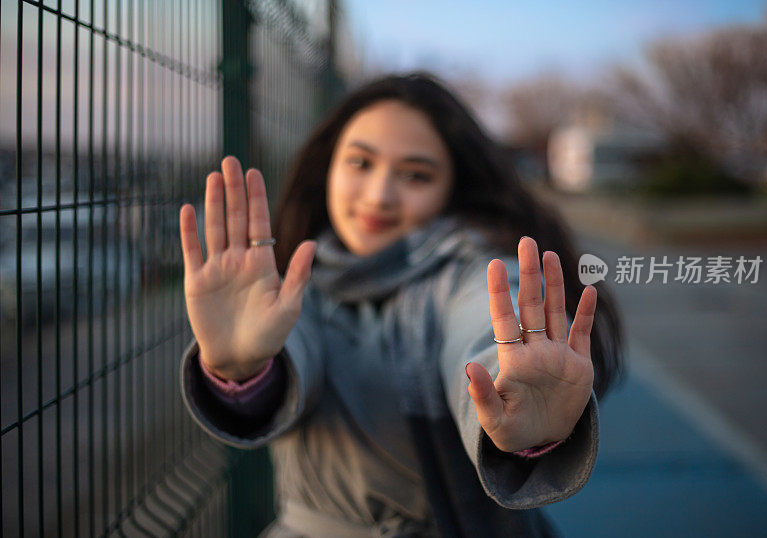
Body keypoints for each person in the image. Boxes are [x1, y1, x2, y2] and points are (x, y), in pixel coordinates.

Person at [178, 72, 624, 537]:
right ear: (327, 168)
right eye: (360, 163)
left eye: (416, 175)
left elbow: (483, 334)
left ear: (452, 188)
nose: (380, 195)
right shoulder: (292, 284)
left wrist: (518, 414)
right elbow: (291, 369)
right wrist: (240, 371)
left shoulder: (472, 272)